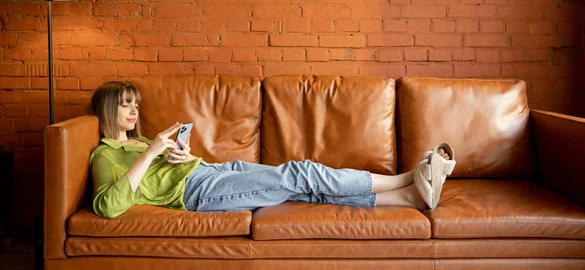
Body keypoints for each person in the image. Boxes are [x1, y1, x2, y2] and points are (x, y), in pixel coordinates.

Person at [88, 81, 456, 219]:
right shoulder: (104, 153)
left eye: (135, 103)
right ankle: (410, 177)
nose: (135, 111)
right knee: (300, 173)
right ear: (108, 110)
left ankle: (410, 198)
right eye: (125, 104)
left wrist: (180, 154)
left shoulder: (138, 141)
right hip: (196, 193)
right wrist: (150, 154)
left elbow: (159, 168)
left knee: (302, 189)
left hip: (210, 171)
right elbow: (108, 205)